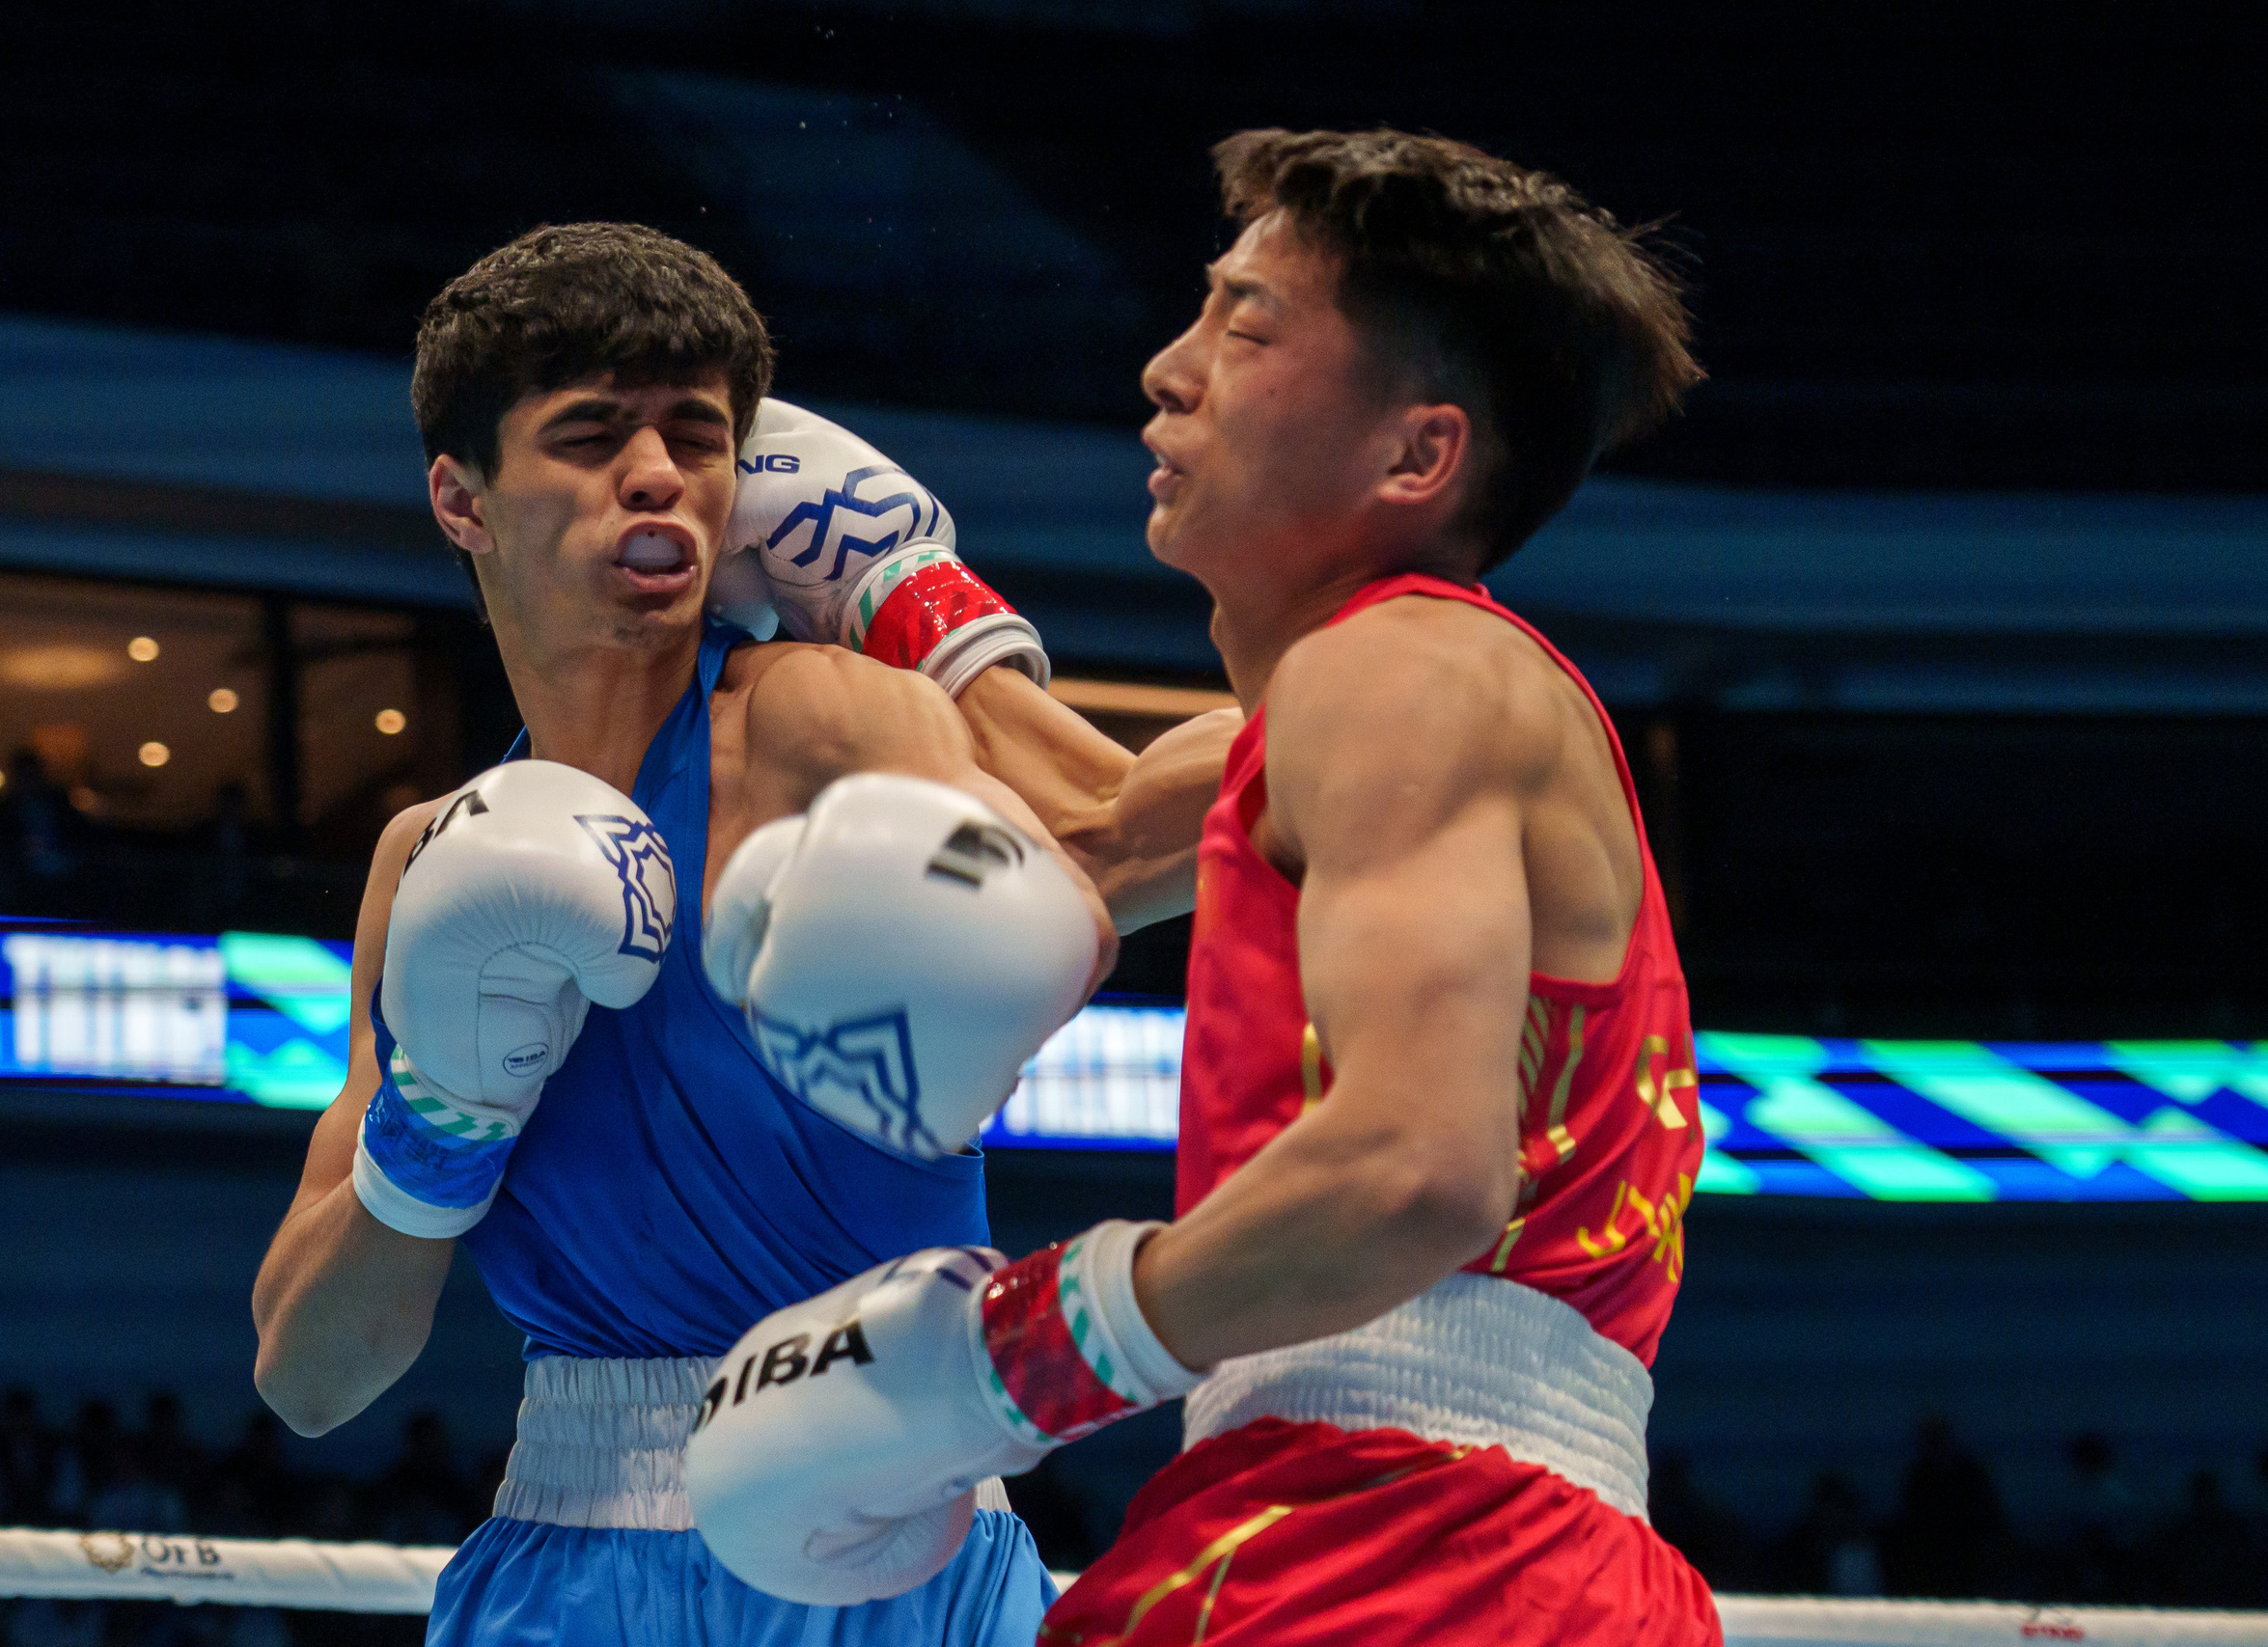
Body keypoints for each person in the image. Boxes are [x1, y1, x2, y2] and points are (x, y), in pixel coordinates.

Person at [685, 127, 1719, 1646]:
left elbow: (1416, 1172)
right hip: (1395, 1526)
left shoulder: (1401, 673)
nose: (1169, 369)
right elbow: (1085, 829)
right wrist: (895, 582)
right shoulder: (1351, 714)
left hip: (1418, 1545)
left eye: (1245, 328)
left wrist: (1017, 1355)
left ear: (1417, 455)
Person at [249, 222, 1231, 1647]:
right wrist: (445, 1115)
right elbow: (311, 1378)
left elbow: (1087, 866)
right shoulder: (429, 861)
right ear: (462, 501)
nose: (654, 474)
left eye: (696, 439)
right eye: (590, 435)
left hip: (885, 1525)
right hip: (563, 1549)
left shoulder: (818, 715)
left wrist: (930, 623)